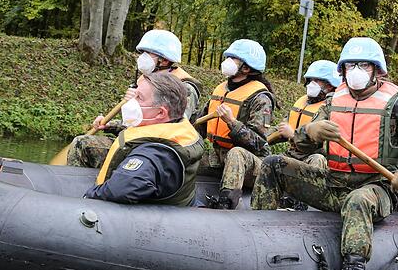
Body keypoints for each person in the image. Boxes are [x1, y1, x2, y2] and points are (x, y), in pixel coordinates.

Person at [250, 37, 398, 270]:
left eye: (362, 65)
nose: (355, 71)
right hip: (333, 182)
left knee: (358, 200)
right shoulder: (332, 102)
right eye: (349, 66)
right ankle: (257, 233)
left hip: (376, 187)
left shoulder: (397, 106)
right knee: (274, 164)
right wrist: (308, 132)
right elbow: (300, 146)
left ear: (377, 71)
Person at [67, 29, 201, 168]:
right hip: (136, 140)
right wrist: (109, 125)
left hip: (160, 150)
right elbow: (137, 121)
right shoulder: (146, 80)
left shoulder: (185, 87)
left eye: (148, 53)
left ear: (165, 59)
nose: (142, 57)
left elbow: (173, 125)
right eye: (142, 52)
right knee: (82, 142)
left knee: (82, 143)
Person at [84, 72, 205, 206]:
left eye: (139, 97)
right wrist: (110, 125)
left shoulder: (154, 155)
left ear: (160, 112)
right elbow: (138, 132)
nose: (131, 101)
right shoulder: (173, 125)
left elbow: (119, 189)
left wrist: (86, 198)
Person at [198, 39, 276, 210]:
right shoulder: (222, 89)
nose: (227, 61)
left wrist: (232, 123)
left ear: (246, 68)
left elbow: (258, 143)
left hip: (251, 162)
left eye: (233, 58)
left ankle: (227, 204)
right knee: (191, 155)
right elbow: (199, 127)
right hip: (219, 157)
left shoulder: (261, 98)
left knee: (236, 153)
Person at [275, 59, 342, 169]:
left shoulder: (332, 108)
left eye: (317, 80)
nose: (311, 84)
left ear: (330, 85)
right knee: (270, 161)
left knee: (317, 159)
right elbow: (282, 126)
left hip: (314, 157)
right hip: (293, 154)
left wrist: (293, 135)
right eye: (310, 80)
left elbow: (323, 145)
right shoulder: (303, 102)